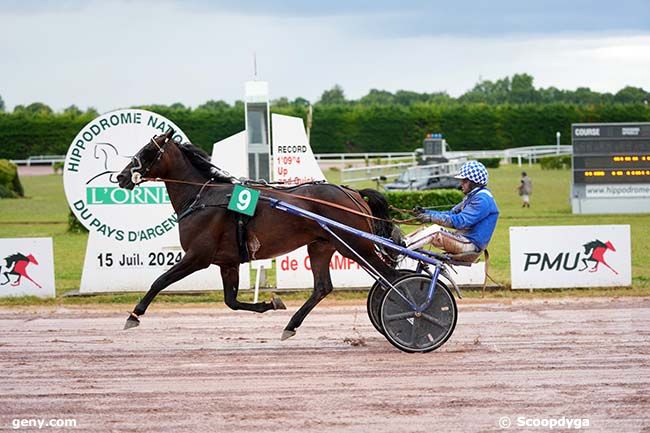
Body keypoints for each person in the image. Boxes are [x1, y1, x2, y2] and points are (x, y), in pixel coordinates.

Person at [405, 160, 499, 255]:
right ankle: (402, 242)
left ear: (474, 182)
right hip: (463, 239)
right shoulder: (473, 196)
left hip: (471, 244)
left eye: (464, 180)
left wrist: (431, 218)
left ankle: (403, 248)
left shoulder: (482, 199)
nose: (461, 183)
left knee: (435, 231)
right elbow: (451, 214)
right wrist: (427, 212)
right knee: (425, 230)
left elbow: (460, 222)